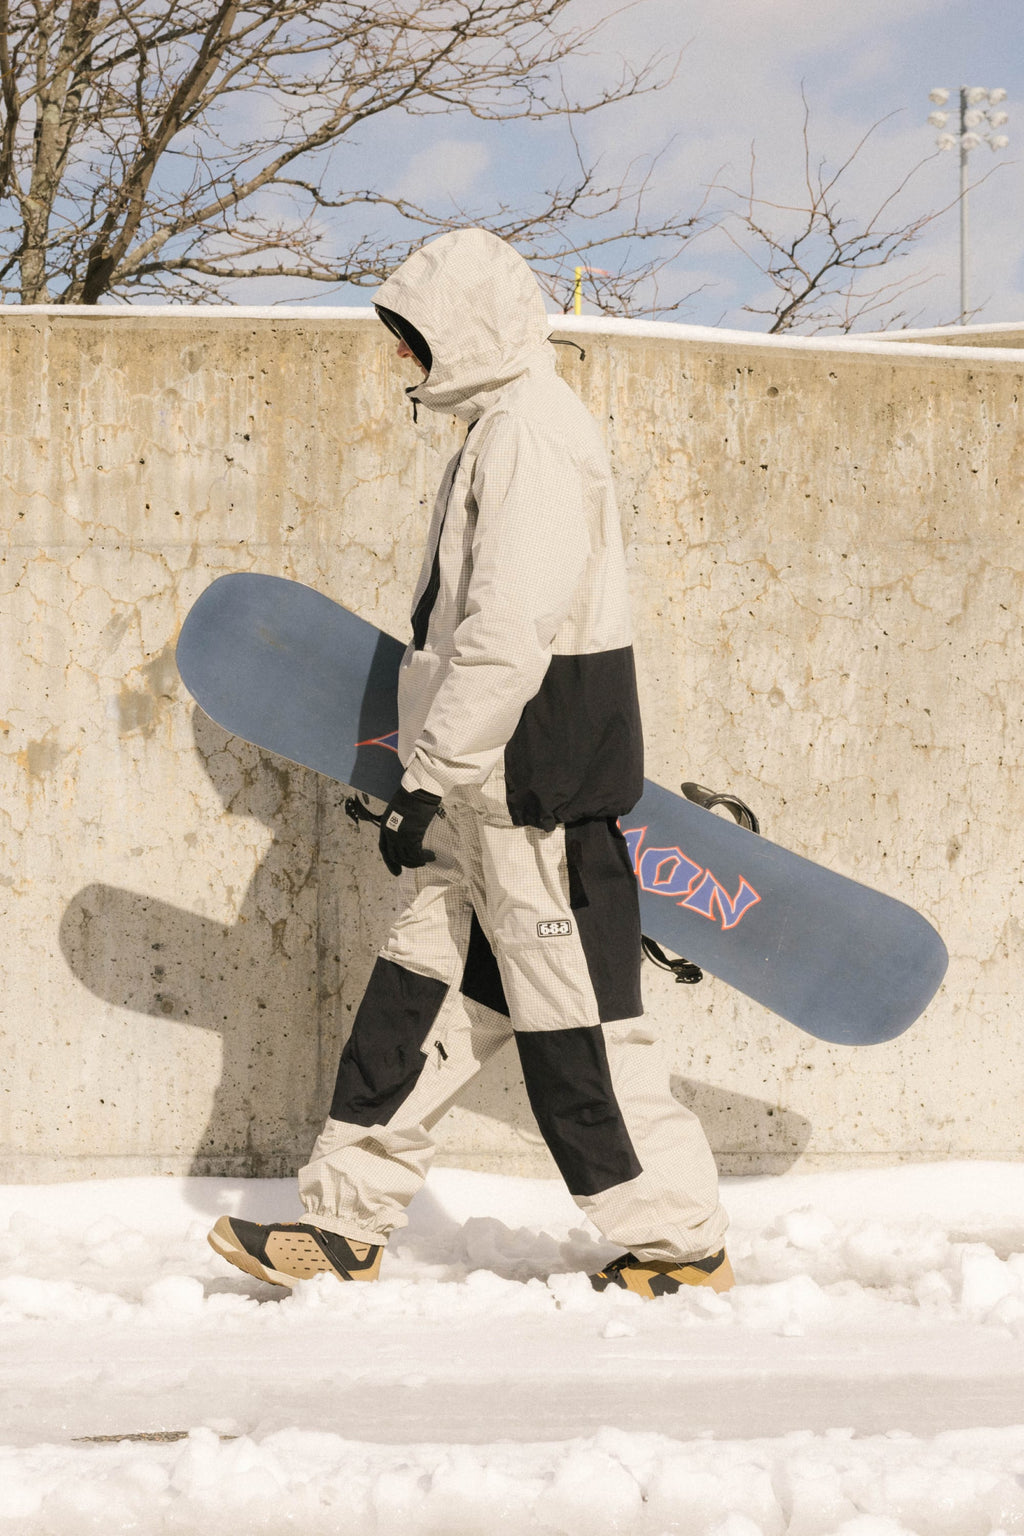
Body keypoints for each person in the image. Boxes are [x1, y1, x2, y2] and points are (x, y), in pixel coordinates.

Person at [208, 227, 733, 1300]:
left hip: (530, 797)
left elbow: (506, 634)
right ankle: (344, 1223)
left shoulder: (534, 436)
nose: (402, 357)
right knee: (413, 1007)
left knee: (582, 1037)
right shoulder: (498, 430)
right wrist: (432, 782)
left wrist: (430, 774)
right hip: (475, 798)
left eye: (413, 336)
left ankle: (681, 1246)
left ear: (467, 331)